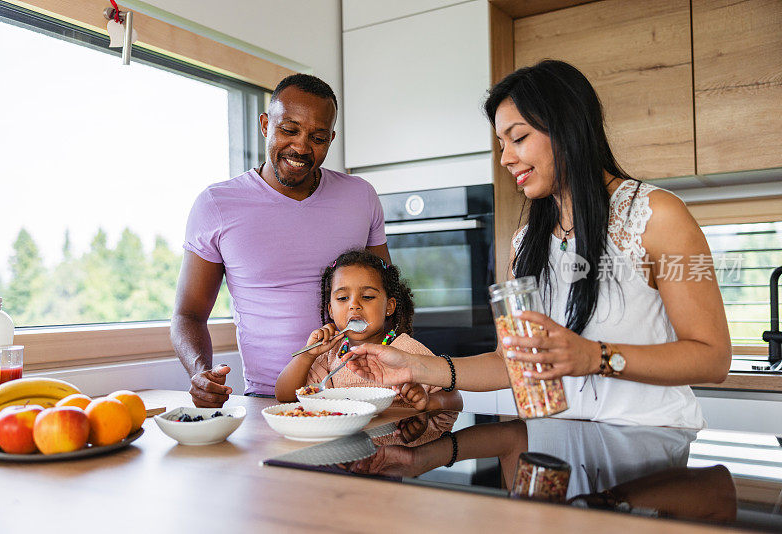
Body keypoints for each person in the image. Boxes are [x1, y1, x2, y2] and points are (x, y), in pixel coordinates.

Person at [343, 60, 731, 428]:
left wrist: (595, 356)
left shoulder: (655, 214)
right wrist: (413, 366)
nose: (506, 158)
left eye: (519, 138)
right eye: (501, 143)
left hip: (651, 449)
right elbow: (508, 362)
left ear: (568, 128)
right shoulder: (526, 242)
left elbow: (712, 358)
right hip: (557, 451)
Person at [172, 74, 390, 406]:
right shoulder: (216, 205)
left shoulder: (361, 196)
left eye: (317, 137)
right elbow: (188, 314)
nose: (302, 147)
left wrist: (408, 374)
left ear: (331, 139)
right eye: (289, 130)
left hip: (357, 394)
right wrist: (200, 373)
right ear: (265, 125)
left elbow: (390, 299)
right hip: (267, 401)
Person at [275, 249, 463, 412]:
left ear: (389, 307)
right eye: (342, 298)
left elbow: (455, 400)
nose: (354, 305)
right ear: (331, 310)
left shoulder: (407, 350)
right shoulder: (330, 355)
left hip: (398, 445)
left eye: (367, 296)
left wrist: (428, 402)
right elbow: (285, 395)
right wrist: (307, 355)